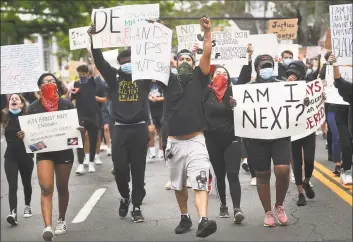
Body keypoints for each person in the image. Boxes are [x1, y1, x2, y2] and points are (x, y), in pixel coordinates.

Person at [88, 25, 151, 223]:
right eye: (124, 61)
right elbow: (99, 61)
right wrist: (94, 39)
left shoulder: (145, 78)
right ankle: (125, 196)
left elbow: (154, 56)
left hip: (140, 128)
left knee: (138, 171)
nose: (127, 64)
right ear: (119, 63)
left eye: (131, 61)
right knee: (121, 169)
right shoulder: (114, 78)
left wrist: (152, 30)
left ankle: (137, 207)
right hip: (121, 131)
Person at [162, 17, 217, 238]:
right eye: (181, 58)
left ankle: (203, 220)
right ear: (175, 62)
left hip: (196, 140)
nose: (185, 60)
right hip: (175, 142)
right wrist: (155, 31)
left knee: (200, 180)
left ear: (193, 64)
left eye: (188, 58)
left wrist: (207, 32)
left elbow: (207, 53)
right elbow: (155, 57)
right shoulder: (167, 79)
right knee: (178, 184)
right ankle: (185, 217)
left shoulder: (199, 78)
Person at [234, 54, 292, 227]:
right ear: (257, 68)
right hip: (256, 137)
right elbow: (238, 103)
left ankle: (279, 205)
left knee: (282, 170)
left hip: (280, 134)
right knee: (263, 174)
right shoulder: (248, 89)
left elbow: (293, 102)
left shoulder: (282, 85)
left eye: (269, 65)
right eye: (263, 65)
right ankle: (268, 212)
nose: (266, 68)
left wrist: (302, 101)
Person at [18, 73, 77, 241]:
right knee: (46, 187)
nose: (49, 83)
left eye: (52, 81)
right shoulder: (34, 108)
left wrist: (80, 130)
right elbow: (30, 134)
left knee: (62, 187)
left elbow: (76, 128)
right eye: (46, 82)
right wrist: (24, 135)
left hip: (64, 151)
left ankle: (61, 220)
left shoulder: (67, 105)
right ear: (40, 87)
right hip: (44, 152)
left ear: (57, 85)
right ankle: (47, 227)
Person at [202, 44, 253, 221]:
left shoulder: (233, 92)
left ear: (229, 78)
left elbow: (245, 77)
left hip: (232, 139)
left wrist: (248, 58)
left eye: (224, 73)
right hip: (212, 140)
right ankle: (223, 203)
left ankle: (237, 209)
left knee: (233, 173)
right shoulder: (205, 93)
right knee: (220, 173)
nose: (221, 76)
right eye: (217, 73)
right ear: (211, 77)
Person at [286, 61, 317, 206]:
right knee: (296, 161)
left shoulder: (310, 85)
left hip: (308, 129)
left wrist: (312, 100)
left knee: (309, 159)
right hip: (293, 129)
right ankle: (300, 194)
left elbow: (317, 101)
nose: (292, 76)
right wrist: (287, 87)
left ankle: (307, 180)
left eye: (295, 73)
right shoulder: (283, 87)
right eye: (290, 74)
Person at [1, 94, 34, 226]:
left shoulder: (28, 117)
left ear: (22, 103)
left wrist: (26, 134)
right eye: (11, 99)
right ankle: (13, 213)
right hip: (10, 157)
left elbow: (36, 135)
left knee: (27, 184)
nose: (14, 100)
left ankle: (27, 206)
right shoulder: (4, 117)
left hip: (26, 156)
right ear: (8, 103)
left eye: (17, 98)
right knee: (12, 186)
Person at [72, 65, 102, 175]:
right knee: (79, 140)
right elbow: (73, 99)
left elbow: (94, 70)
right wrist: (72, 93)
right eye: (80, 73)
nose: (82, 75)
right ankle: (80, 163)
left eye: (84, 74)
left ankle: (91, 162)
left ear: (87, 74)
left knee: (93, 139)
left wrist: (91, 54)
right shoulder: (76, 84)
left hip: (93, 115)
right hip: (80, 115)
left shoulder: (92, 82)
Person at [330, 54, 353, 185]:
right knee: (346, 142)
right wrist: (335, 64)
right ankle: (347, 171)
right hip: (341, 111)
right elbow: (339, 82)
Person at [147, 80, 165, 160]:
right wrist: (150, 98)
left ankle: (161, 151)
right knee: (151, 131)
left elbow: (167, 96)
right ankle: (152, 151)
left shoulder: (161, 84)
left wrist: (158, 99)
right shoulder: (148, 84)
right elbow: (144, 94)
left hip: (161, 110)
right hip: (151, 110)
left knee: (161, 132)